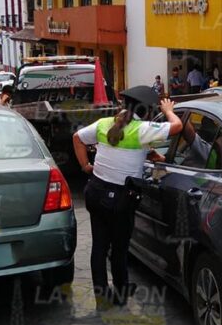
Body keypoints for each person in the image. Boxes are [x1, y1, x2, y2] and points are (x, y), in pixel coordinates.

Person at [73, 86, 183, 308]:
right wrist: (169, 110)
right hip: (120, 199)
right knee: (120, 247)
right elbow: (177, 126)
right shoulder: (142, 129)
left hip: (96, 192)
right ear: (146, 111)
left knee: (99, 246)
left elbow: (77, 138)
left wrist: (86, 166)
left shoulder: (104, 123)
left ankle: (102, 297)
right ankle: (121, 292)